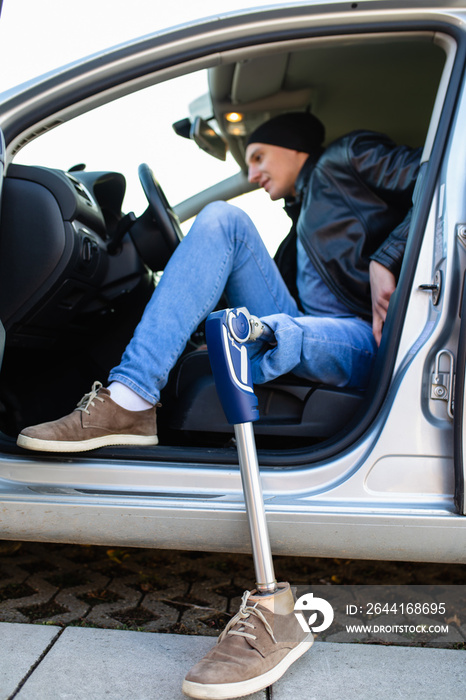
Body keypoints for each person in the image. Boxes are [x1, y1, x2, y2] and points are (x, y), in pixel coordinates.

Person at [16, 112, 421, 698]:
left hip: (368, 336)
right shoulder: (297, 217)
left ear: (293, 148)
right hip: (312, 323)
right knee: (223, 219)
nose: (251, 171)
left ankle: (274, 612)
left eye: (258, 157)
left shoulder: (353, 151)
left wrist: (389, 255)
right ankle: (130, 397)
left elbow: (446, 173)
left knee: (276, 328)